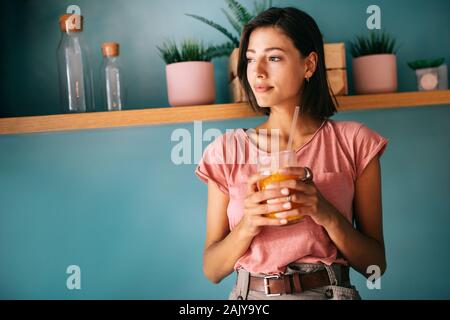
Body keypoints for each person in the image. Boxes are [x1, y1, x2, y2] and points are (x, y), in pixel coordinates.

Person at [195, 7, 388, 300]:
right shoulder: (225, 151)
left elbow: (375, 265)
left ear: (309, 65)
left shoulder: (355, 141)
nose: (257, 71)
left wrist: (324, 212)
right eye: (250, 59)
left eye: (273, 57)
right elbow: (212, 270)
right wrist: (248, 225)